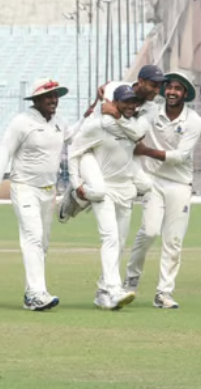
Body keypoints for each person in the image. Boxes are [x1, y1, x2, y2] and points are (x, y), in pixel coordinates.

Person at [0, 79, 86, 311]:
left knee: (43, 242)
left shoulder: (59, 122)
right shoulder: (22, 122)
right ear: (37, 99)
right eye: (48, 96)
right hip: (24, 187)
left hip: (48, 191)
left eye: (56, 96)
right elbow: (4, 153)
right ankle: (35, 293)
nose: (53, 100)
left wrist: (91, 112)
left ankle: (35, 291)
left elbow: (73, 136)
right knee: (33, 236)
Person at [125, 72, 201, 309]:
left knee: (173, 239)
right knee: (149, 232)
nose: (172, 92)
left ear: (185, 94)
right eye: (169, 87)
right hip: (153, 181)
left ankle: (164, 293)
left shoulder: (193, 120)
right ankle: (131, 279)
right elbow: (128, 108)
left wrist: (145, 151)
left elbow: (180, 157)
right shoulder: (151, 113)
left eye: (178, 89)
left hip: (179, 184)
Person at [68, 85, 150, 310]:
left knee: (121, 242)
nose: (131, 106)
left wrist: (115, 117)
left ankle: (103, 291)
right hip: (103, 189)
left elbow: (138, 135)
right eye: (126, 102)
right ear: (115, 103)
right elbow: (74, 151)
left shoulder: (136, 124)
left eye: (134, 102)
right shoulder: (97, 127)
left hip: (124, 190)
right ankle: (114, 289)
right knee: (110, 238)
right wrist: (76, 185)